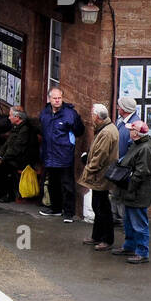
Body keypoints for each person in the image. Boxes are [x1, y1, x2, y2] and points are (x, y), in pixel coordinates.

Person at [111, 120, 151, 264]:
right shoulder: (138, 145)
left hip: (137, 193)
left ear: (136, 133)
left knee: (139, 223)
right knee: (128, 221)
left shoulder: (145, 148)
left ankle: (142, 252)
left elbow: (141, 172)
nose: (129, 132)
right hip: (131, 191)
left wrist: (130, 186)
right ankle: (129, 246)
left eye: (131, 130)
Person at [38, 87, 85, 223]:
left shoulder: (70, 114)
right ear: (49, 99)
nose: (57, 101)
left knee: (67, 184)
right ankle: (56, 208)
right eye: (55, 98)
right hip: (49, 154)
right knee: (52, 183)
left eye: (59, 98)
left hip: (64, 154)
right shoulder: (45, 113)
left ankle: (69, 212)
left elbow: (79, 130)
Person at [78, 104, 119, 251]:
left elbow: (100, 156)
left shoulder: (107, 133)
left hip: (101, 176)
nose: (91, 117)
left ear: (97, 116)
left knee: (102, 208)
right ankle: (97, 235)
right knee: (98, 205)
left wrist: (88, 170)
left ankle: (106, 239)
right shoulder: (105, 128)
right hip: (100, 175)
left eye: (91, 114)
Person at [0, 106, 35, 202]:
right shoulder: (16, 127)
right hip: (13, 155)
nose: (8, 117)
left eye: (10, 115)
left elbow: (17, 148)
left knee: (5, 166)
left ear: (17, 117)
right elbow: (7, 144)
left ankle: (9, 194)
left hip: (22, 158)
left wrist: (4, 158)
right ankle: (1, 191)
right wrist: (0, 155)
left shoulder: (25, 129)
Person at [112, 96, 138, 225]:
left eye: (119, 106)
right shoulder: (120, 120)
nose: (117, 107)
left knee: (123, 196)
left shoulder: (134, 125)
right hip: (118, 166)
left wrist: (121, 162)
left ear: (125, 109)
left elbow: (132, 149)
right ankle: (116, 218)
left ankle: (125, 223)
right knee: (116, 194)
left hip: (124, 168)